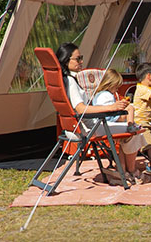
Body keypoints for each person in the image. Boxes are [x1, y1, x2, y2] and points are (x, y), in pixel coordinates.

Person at [55, 43, 145, 185]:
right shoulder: (71, 82)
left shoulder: (64, 80)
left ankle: (122, 171)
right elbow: (80, 109)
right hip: (90, 128)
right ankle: (130, 171)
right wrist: (111, 107)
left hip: (79, 126)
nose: (81, 62)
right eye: (78, 59)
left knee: (128, 132)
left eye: (81, 58)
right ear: (66, 60)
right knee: (136, 131)